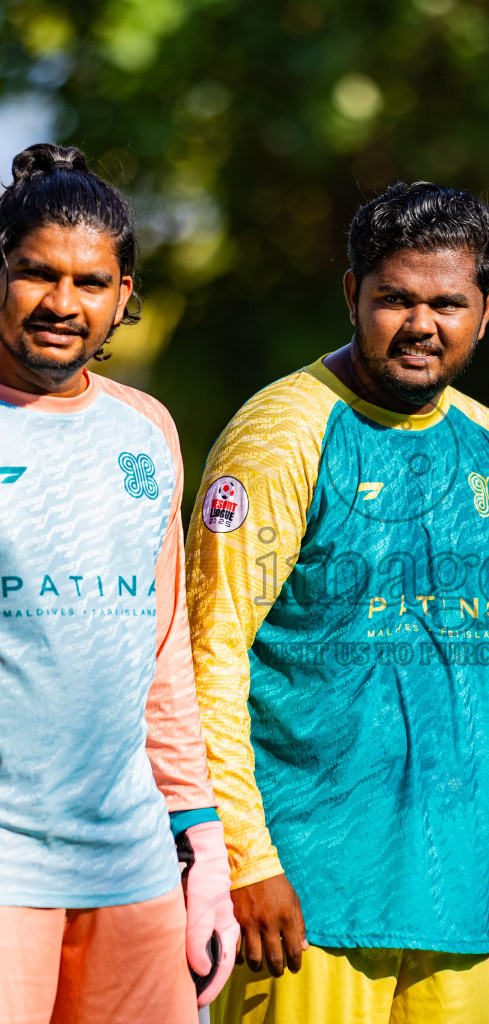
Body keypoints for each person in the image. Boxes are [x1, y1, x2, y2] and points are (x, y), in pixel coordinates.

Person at [186, 181, 489, 1024]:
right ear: (351, 295)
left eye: (447, 303)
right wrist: (246, 862)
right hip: (302, 906)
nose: (420, 324)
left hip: (456, 908)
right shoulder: (281, 434)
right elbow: (205, 661)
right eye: (393, 298)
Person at [0, 143, 239, 1024]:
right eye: (36, 274)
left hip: (131, 863)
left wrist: (201, 845)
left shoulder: (145, 430)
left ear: (123, 299)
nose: (63, 304)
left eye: (90, 283)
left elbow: (162, 653)